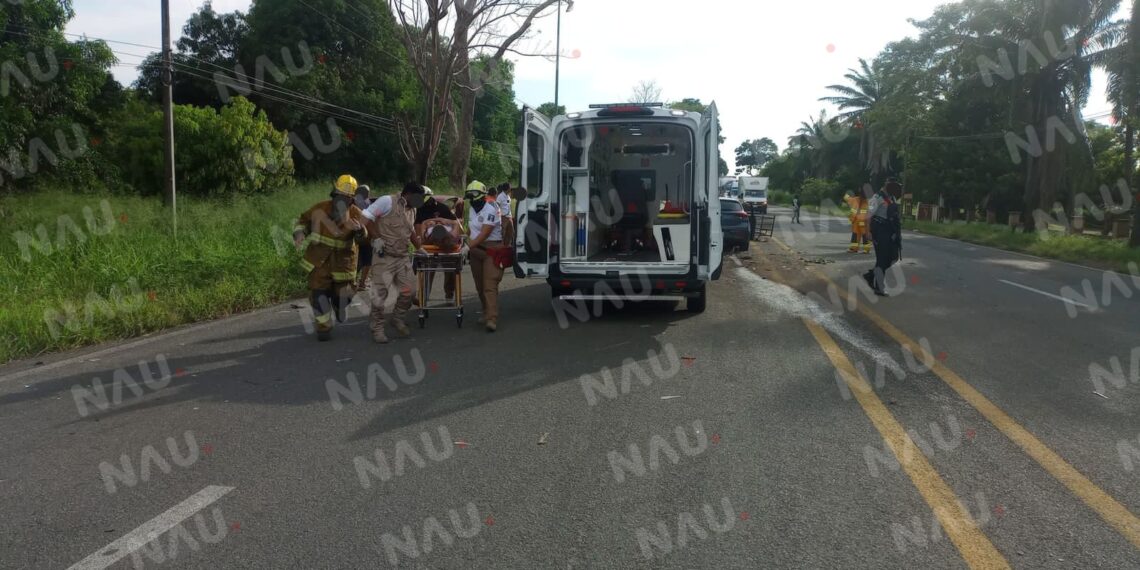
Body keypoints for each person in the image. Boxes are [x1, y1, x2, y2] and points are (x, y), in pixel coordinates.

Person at [293, 174, 370, 341]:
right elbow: (304, 221)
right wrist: (300, 233)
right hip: (320, 261)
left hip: (344, 264)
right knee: (319, 293)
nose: (343, 201)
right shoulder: (320, 208)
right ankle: (323, 326)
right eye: (340, 196)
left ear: (352, 200)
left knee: (345, 296)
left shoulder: (356, 213)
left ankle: (338, 305)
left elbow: (364, 238)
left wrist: (359, 231)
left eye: (347, 198)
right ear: (334, 195)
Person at [361, 182, 427, 344]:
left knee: (409, 292)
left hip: (402, 257)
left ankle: (397, 318)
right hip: (384, 257)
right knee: (380, 295)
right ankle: (377, 328)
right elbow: (365, 218)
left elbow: (410, 230)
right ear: (408, 194)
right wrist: (375, 238)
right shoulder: (387, 202)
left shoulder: (413, 209)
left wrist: (419, 247)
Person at [465, 181, 507, 332]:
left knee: (489, 285)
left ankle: (491, 318)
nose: (471, 198)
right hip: (476, 251)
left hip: (491, 250)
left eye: (474, 195)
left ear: (482, 195)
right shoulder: (471, 209)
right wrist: (464, 238)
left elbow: (485, 233)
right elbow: (472, 229)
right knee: (479, 285)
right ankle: (485, 311)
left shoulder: (491, 209)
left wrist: (467, 246)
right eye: (469, 195)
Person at [415, 186, 460, 302]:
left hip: (447, 242)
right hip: (430, 242)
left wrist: (442, 220)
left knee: (450, 271)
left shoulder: (442, 208)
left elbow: (456, 224)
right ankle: (423, 296)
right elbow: (418, 230)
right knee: (428, 272)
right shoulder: (418, 210)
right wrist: (428, 225)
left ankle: (449, 294)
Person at [863, 179, 903, 297]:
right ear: (886, 185)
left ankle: (871, 276)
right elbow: (868, 216)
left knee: (893, 257)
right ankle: (879, 288)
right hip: (879, 231)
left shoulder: (892, 197)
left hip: (890, 231)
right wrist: (867, 232)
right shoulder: (876, 198)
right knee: (881, 259)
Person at [354, 185, 374, 292]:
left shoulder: (352, 203)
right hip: (366, 236)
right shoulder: (367, 204)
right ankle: (362, 283)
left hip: (355, 235)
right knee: (367, 260)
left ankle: (352, 281)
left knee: (357, 259)